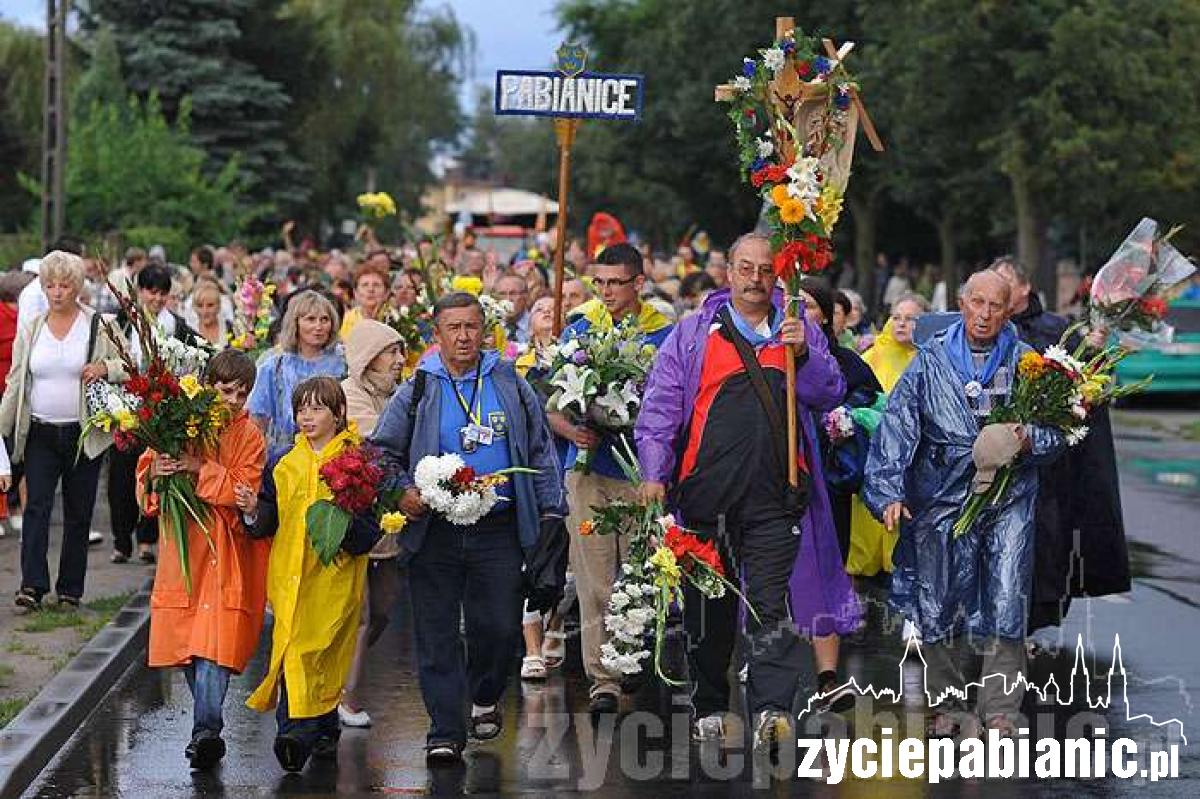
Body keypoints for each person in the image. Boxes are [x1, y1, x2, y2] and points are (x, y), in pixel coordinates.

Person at [636, 232, 845, 750]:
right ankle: (710, 704)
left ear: (778, 276)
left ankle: (772, 708)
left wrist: (805, 354)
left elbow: (830, 391)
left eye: (765, 271)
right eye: (745, 269)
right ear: (729, 271)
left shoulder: (797, 331)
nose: (755, 280)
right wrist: (654, 473)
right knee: (709, 606)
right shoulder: (692, 334)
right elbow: (660, 409)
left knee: (771, 606)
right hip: (705, 496)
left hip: (776, 497)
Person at [862, 271, 1065, 736]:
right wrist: (888, 491)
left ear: (1009, 309)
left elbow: (1059, 429)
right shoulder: (929, 361)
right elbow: (897, 425)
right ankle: (948, 703)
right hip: (941, 491)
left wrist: (1026, 438)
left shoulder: (1027, 361)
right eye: (977, 303)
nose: (985, 314)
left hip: (1010, 494)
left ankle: (1000, 709)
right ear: (961, 303)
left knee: (1007, 591)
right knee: (940, 593)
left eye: (996, 305)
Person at [370, 292, 565, 763]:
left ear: (486, 331)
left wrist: (550, 513)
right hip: (434, 531)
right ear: (436, 336)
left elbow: (539, 450)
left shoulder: (509, 383)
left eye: (472, 327)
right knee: (436, 633)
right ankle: (444, 730)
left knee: (498, 628)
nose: (463, 336)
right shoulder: (417, 387)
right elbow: (380, 453)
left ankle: (484, 696)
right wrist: (402, 492)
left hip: (497, 528)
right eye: (453, 328)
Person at [548, 243, 673, 714]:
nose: (605, 292)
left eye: (615, 283)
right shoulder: (580, 329)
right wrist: (572, 429)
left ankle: (635, 659)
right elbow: (553, 407)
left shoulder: (663, 335)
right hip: (591, 472)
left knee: (640, 574)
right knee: (595, 576)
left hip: (643, 472)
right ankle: (602, 678)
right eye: (598, 283)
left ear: (639, 283)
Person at [135, 349, 269, 770]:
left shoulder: (251, 436)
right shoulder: (181, 421)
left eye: (242, 393)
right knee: (193, 646)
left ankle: (206, 731)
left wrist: (197, 468)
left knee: (217, 645)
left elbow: (243, 490)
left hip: (227, 553)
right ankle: (207, 727)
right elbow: (146, 485)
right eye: (226, 390)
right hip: (184, 549)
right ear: (208, 385)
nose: (233, 400)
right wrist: (157, 471)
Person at [245, 377, 383, 772]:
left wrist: (346, 529)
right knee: (292, 652)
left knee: (320, 653)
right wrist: (254, 509)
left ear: (338, 413)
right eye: (301, 409)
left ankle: (317, 729)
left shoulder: (356, 459)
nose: (307, 417)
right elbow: (268, 518)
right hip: (289, 577)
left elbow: (368, 527)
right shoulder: (282, 461)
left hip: (333, 579)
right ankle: (294, 735)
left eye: (317, 408)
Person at [989, 257, 1130, 631]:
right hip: (993, 453)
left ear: (1023, 289)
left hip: (1047, 463)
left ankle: (1029, 623)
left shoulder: (1056, 329)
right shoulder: (984, 327)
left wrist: (1094, 350)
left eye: (1003, 283)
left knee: (1042, 544)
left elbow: (1089, 383)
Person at [0, 251, 125, 610]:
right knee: (36, 507)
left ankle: (70, 589)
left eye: (64, 285)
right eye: (50, 285)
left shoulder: (98, 325)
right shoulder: (33, 327)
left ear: (77, 287)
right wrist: (2, 431)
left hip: (83, 432)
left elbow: (129, 366)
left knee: (79, 511)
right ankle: (32, 585)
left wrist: (104, 367)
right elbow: (15, 381)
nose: (57, 292)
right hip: (39, 430)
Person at [108, 264, 202, 565]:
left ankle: (147, 539)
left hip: (160, 412)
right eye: (151, 291)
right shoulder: (121, 322)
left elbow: (199, 353)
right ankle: (121, 541)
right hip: (127, 411)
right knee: (121, 479)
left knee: (153, 473)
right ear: (139, 291)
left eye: (163, 293)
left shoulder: (177, 325)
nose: (157, 299)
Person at [338, 319, 405, 728]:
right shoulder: (348, 395)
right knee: (359, 614)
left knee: (382, 610)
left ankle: (341, 676)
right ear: (367, 357)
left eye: (401, 352)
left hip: (390, 524)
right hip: (353, 518)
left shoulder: (395, 394)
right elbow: (381, 443)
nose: (400, 361)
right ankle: (346, 697)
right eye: (390, 352)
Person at [846, 292, 929, 577]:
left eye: (910, 319)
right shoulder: (871, 357)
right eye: (896, 318)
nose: (901, 324)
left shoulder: (931, 360)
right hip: (874, 457)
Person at [248, 289, 346, 465]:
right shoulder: (274, 366)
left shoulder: (344, 363)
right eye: (310, 319)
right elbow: (257, 421)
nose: (319, 326)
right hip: (285, 459)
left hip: (335, 457)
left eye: (325, 320)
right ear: (296, 323)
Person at [340, 261, 390, 339]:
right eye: (365, 285)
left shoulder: (396, 319)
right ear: (355, 293)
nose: (370, 289)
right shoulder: (344, 321)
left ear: (386, 293)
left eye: (376, 285)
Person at [189, 279, 231, 348]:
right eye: (200, 306)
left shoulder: (230, 328)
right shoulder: (189, 332)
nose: (205, 311)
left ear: (218, 306)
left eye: (210, 305)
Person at [494, 273, 532, 344]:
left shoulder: (537, 325)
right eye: (502, 294)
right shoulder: (489, 328)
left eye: (513, 293)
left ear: (526, 296)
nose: (508, 299)